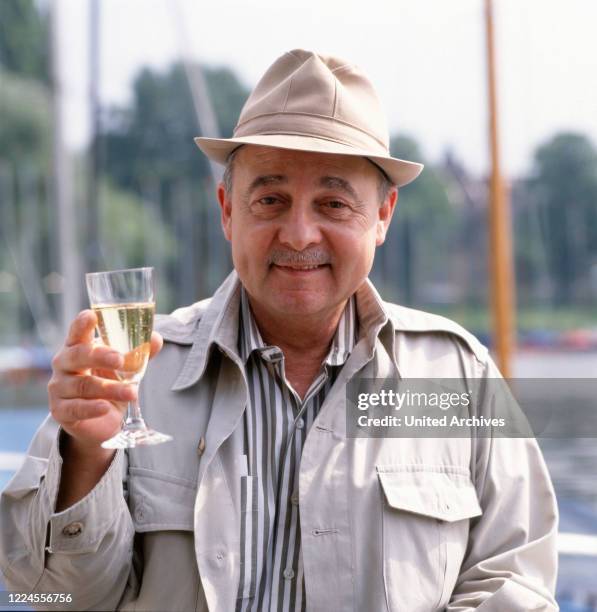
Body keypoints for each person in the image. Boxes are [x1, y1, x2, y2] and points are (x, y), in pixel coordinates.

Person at [0, 49, 558, 611]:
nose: (298, 234)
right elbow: (52, 596)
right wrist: (87, 455)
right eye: (270, 200)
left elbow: (516, 580)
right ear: (227, 210)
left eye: (333, 204)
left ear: (383, 215)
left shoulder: (458, 378)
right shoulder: (130, 373)